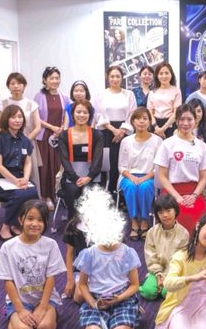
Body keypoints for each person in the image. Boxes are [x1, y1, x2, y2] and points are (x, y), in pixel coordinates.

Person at [75, 188, 142, 329]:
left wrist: (119, 298)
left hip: (122, 298)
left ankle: (132, 313)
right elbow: (83, 284)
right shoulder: (89, 254)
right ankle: (104, 325)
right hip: (97, 298)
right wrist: (93, 303)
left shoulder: (127, 252)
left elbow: (134, 285)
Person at [0, 200, 65, 329]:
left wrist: (43, 307)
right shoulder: (8, 247)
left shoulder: (50, 245)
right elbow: (8, 281)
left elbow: (51, 278)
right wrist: (20, 310)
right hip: (20, 300)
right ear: (21, 220)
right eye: (30, 218)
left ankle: (48, 312)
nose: (35, 224)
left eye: (40, 220)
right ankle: (10, 314)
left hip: (45, 299)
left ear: (45, 223)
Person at [154, 213, 206, 329]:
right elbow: (168, 283)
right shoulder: (180, 256)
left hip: (202, 305)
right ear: (198, 226)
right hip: (181, 305)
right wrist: (193, 278)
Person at [154, 103, 206, 234]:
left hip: (194, 192)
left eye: (189, 119)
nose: (185, 123)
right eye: (182, 119)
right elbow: (162, 176)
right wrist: (176, 196)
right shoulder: (167, 144)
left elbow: (204, 177)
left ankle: (194, 246)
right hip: (170, 192)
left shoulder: (201, 146)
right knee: (172, 213)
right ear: (176, 121)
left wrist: (194, 196)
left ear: (195, 121)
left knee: (196, 215)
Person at [0, 105, 40, 240]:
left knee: (32, 191)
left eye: (20, 117)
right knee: (20, 194)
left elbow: (28, 163)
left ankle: (15, 224)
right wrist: (15, 181)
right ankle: (6, 226)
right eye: (13, 117)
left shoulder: (25, 140)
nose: (17, 120)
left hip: (18, 178)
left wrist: (25, 178)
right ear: (6, 119)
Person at [117, 107, 163, 240]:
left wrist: (145, 177)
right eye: (137, 118)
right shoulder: (126, 141)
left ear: (149, 122)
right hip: (129, 175)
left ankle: (144, 220)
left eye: (145, 118)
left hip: (150, 176)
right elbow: (121, 166)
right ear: (132, 121)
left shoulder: (157, 141)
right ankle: (134, 221)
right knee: (131, 187)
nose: (141, 121)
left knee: (144, 187)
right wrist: (131, 176)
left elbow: (159, 166)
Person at [0, 73, 42, 197]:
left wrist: (24, 141)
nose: (16, 86)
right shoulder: (2, 104)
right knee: (8, 176)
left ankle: (31, 203)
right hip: (7, 146)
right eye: (12, 83)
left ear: (24, 86)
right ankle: (11, 202)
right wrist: (10, 141)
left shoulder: (32, 104)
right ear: (8, 86)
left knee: (30, 174)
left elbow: (38, 127)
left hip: (27, 143)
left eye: (19, 83)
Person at [56, 100, 103, 220]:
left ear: (90, 115)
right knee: (72, 190)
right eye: (78, 112)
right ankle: (73, 222)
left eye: (85, 112)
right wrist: (75, 178)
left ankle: (90, 223)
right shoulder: (63, 135)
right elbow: (64, 160)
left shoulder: (97, 135)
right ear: (72, 114)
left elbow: (98, 160)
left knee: (91, 190)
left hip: (92, 176)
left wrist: (89, 177)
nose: (81, 115)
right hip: (70, 176)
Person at [93, 65, 136, 195]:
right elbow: (98, 114)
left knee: (122, 162)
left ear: (122, 78)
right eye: (112, 76)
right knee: (107, 163)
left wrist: (121, 131)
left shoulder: (129, 94)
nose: (115, 79)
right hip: (106, 132)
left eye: (118, 76)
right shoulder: (101, 94)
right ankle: (107, 193)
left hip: (124, 133)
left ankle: (121, 194)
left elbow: (132, 114)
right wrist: (113, 130)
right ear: (107, 78)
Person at [33, 66, 72, 211]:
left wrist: (62, 128)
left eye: (57, 78)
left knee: (58, 166)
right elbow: (36, 118)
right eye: (51, 78)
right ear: (45, 80)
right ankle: (46, 197)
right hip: (44, 136)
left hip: (59, 136)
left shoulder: (64, 96)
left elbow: (68, 113)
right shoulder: (39, 96)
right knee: (45, 167)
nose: (55, 81)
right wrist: (52, 127)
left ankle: (58, 195)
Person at [140, 194, 189, 301]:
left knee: (167, 292)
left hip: (174, 272)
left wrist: (166, 276)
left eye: (168, 211)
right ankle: (151, 282)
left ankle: (163, 287)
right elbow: (150, 256)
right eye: (161, 212)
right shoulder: (152, 232)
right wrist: (158, 274)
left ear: (175, 211)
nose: (165, 215)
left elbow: (180, 259)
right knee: (148, 292)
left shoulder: (184, 234)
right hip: (156, 271)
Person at [147, 62, 182, 139]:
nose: (164, 76)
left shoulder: (176, 91)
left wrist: (163, 128)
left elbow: (176, 113)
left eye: (166, 73)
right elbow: (150, 113)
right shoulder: (152, 92)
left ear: (171, 75)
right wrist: (156, 127)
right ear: (157, 76)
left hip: (171, 125)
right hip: (155, 126)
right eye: (161, 73)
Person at [62, 214, 87, 303]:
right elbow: (69, 254)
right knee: (79, 296)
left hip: (102, 268)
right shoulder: (74, 226)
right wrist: (70, 280)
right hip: (82, 270)